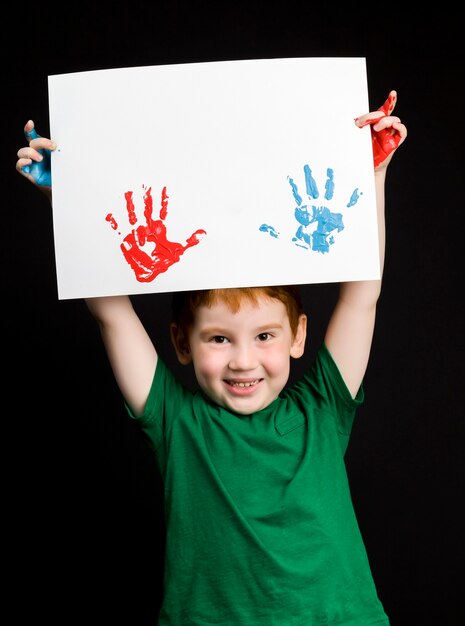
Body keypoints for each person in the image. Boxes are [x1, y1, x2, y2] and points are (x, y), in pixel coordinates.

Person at [16, 90, 407, 625]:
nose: (243, 360)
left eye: (265, 337)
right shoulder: (178, 423)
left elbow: (363, 298)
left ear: (298, 337)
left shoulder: (321, 409)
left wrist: (374, 172)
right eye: (219, 339)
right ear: (182, 343)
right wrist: (68, 202)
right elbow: (112, 312)